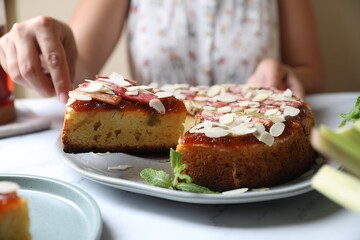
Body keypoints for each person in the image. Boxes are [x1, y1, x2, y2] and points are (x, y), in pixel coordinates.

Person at [0, 0, 324, 103]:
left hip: (254, 149)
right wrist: (45, 46)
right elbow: (74, 71)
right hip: (149, 165)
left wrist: (283, 71)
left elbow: (312, 73)